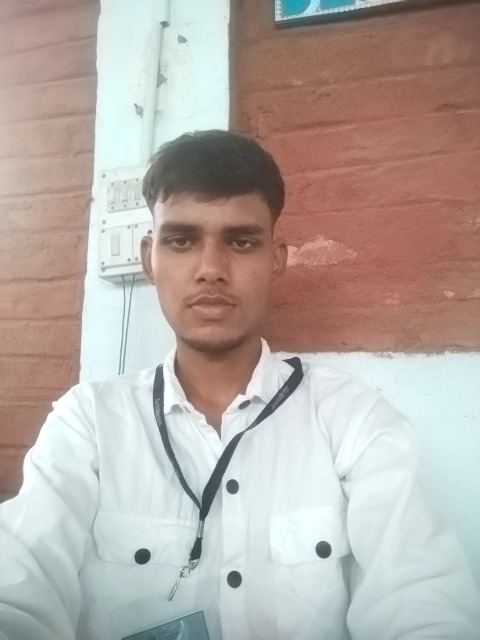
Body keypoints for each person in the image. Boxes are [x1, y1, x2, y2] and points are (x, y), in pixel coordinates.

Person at [0, 130, 479, 640]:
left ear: (276, 259)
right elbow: (18, 591)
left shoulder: (351, 419)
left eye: (241, 241)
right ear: (149, 258)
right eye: (181, 240)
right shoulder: (89, 424)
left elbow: (421, 601)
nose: (211, 270)